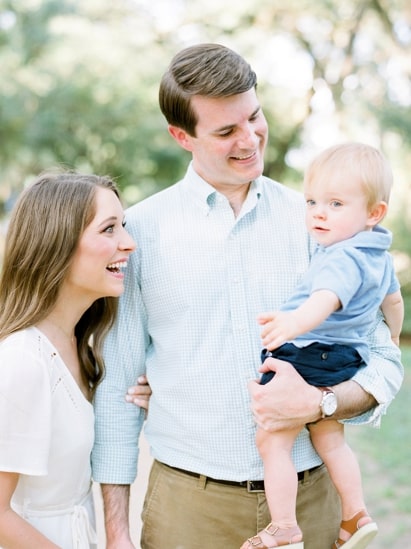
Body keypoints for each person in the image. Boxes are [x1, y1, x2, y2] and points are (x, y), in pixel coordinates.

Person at [91, 44, 404, 549]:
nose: (250, 139)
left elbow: (385, 361)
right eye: (225, 131)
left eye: (254, 117)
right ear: (181, 136)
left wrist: (321, 402)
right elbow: (118, 390)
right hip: (188, 510)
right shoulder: (139, 234)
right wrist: (116, 533)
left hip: (312, 504)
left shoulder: (321, 222)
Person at [240, 143, 403, 549]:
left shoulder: (341, 257)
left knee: (272, 439)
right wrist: (395, 337)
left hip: (310, 350)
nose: (318, 212)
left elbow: (325, 298)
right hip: (344, 359)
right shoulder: (378, 254)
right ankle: (356, 513)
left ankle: (283, 527)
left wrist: (292, 323)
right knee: (330, 439)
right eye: (312, 201)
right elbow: (394, 302)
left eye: (335, 203)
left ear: (373, 213)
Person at [0, 172, 136, 548]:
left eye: (122, 226)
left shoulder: (79, 345)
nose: (129, 243)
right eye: (109, 229)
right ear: (56, 244)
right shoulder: (23, 360)